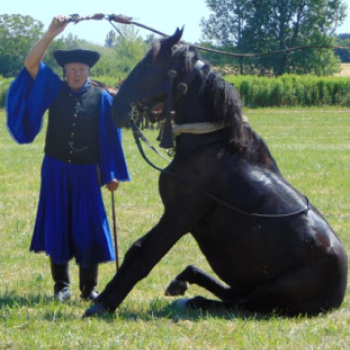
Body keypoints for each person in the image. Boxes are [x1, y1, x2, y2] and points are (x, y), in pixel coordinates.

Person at [6, 15, 130, 302]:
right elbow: (30, 64)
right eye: (72, 69)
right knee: (57, 223)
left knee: (89, 226)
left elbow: (112, 139)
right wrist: (50, 33)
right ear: (65, 71)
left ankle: (90, 287)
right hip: (56, 168)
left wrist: (110, 173)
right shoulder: (53, 88)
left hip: (88, 172)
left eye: (82, 69)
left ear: (88, 71)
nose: (76, 73)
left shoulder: (102, 98)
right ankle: (61, 286)